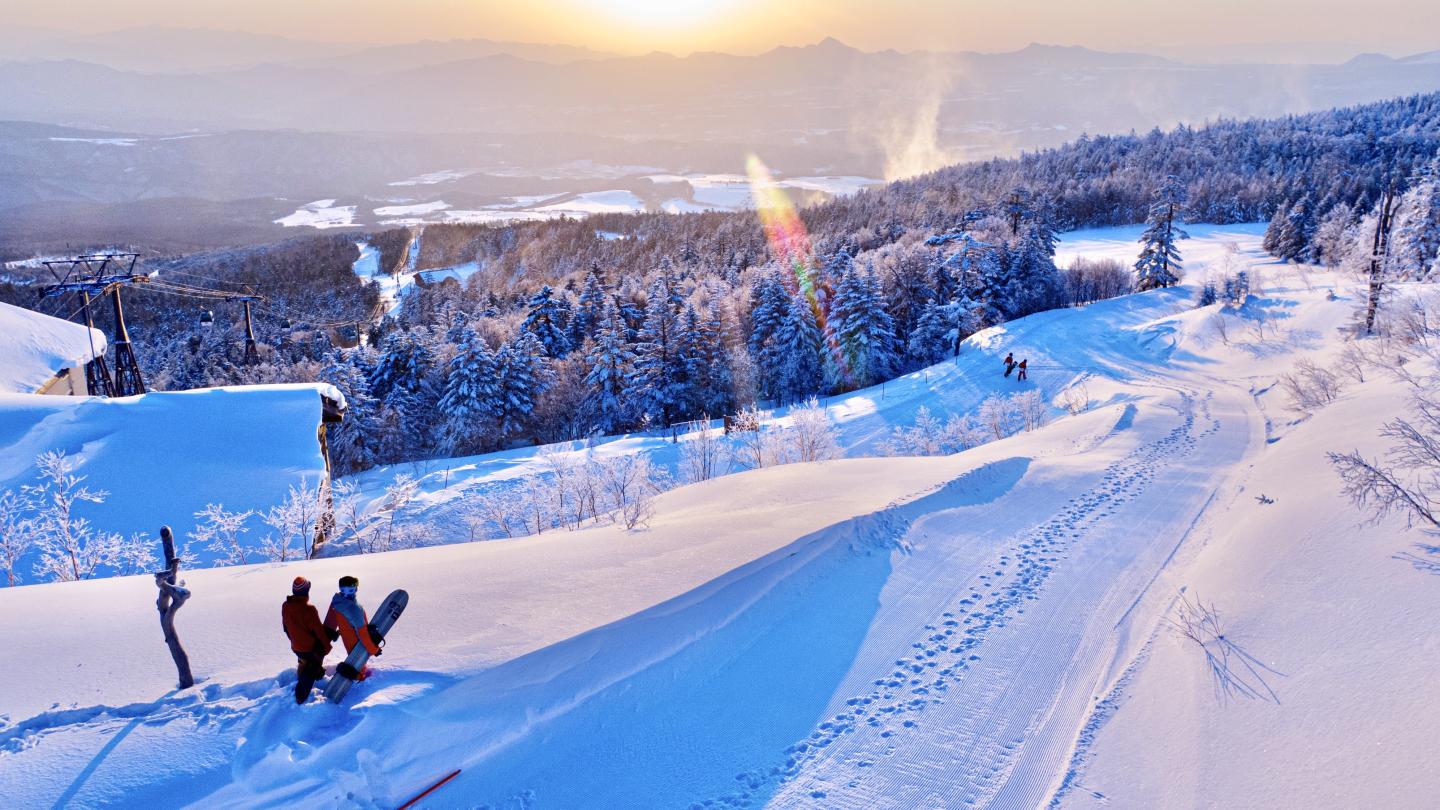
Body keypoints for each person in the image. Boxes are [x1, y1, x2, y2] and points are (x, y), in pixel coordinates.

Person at [281, 576, 332, 704]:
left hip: (296, 647)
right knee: (312, 670)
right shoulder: (309, 609)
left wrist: (295, 641)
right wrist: (326, 648)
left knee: (304, 659)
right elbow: (319, 632)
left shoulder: (286, 605)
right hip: (309, 649)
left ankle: (303, 667)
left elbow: (286, 627)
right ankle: (300, 697)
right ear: (306, 591)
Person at [324, 575, 383, 680]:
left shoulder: (337, 601)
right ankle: (355, 678)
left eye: (350, 590)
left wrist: (334, 632)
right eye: (345, 590)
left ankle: (352, 672)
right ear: (356, 589)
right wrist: (374, 650)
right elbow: (363, 634)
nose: (347, 593)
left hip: (347, 638)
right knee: (359, 666)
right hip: (356, 641)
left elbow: (332, 619)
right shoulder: (354, 608)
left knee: (356, 660)